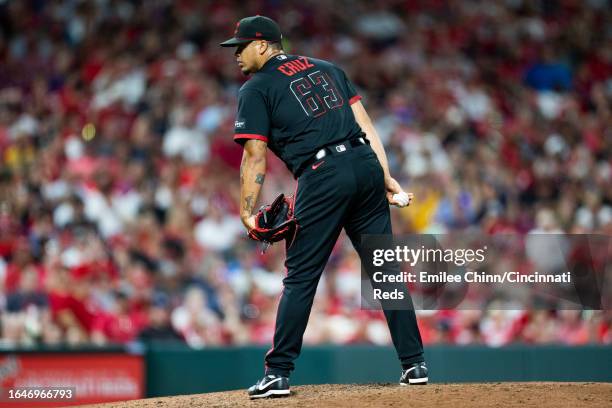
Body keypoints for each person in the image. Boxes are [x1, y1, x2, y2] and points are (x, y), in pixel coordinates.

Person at [220, 15, 427, 399]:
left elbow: (254, 154)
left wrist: (247, 211)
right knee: (383, 269)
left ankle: (278, 373)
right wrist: (385, 176)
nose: (236, 54)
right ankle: (415, 364)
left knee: (300, 277)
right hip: (364, 164)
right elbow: (364, 122)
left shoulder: (257, 87)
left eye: (241, 46)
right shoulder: (327, 68)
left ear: (263, 45)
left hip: (323, 173)